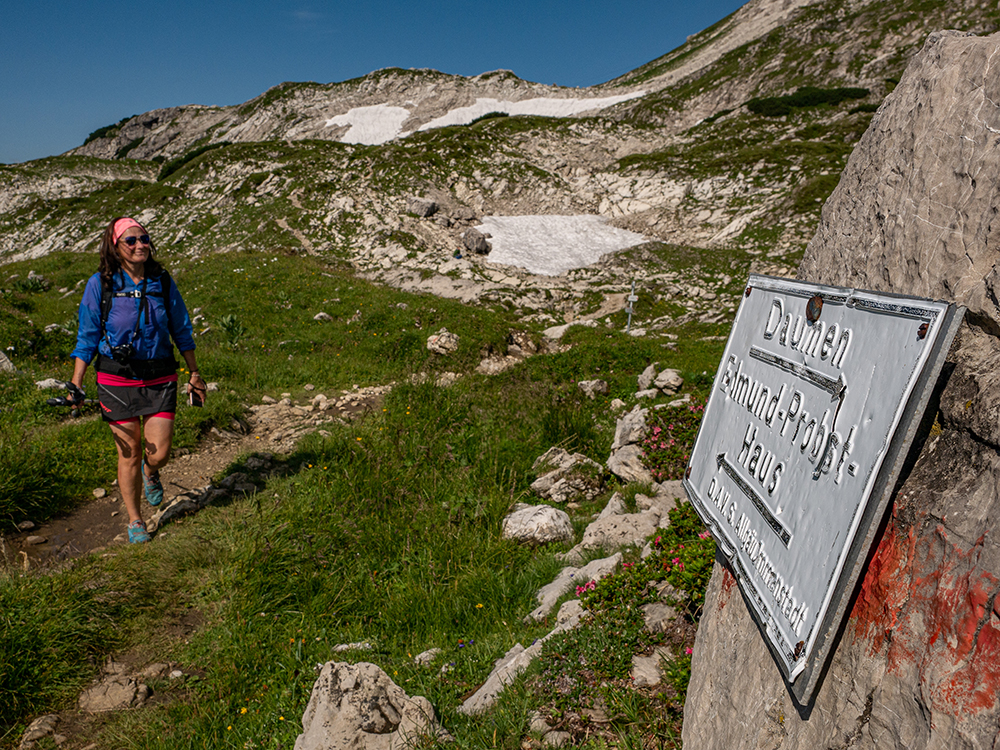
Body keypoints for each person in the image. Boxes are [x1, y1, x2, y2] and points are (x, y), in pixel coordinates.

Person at [68, 216, 206, 543]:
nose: (140, 244)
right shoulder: (99, 285)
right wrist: (77, 383)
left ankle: (151, 471)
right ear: (115, 246)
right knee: (128, 450)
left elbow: (181, 328)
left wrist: (195, 372)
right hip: (116, 379)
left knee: (159, 453)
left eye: (144, 238)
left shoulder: (162, 281)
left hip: (160, 376)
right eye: (131, 240)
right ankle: (135, 520)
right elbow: (86, 338)